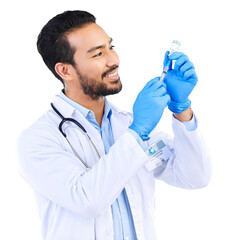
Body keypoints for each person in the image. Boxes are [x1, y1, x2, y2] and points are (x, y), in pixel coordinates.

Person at [18, 10, 211, 240]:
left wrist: (182, 109)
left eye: (111, 47)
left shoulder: (127, 124)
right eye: (98, 54)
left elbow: (194, 177)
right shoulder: (39, 138)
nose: (114, 60)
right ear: (65, 70)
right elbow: (88, 200)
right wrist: (138, 132)